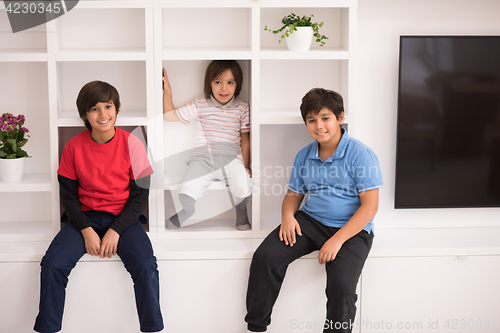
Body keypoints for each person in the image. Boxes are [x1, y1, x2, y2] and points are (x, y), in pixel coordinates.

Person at [245, 88, 383, 333]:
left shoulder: (361, 155)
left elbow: (370, 206)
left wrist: (337, 240)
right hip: (310, 221)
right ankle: (256, 326)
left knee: (341, 287)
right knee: (265, 257)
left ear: (340, 118)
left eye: (325, 118)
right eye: (311, 120)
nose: (319, 126)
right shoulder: (304, 155)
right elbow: (293, 195)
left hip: (351, 229)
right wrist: (287, 217)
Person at [34, 81, 164, 333]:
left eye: (108, 106)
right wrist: (85, 230)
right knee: (52, 264)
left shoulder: (133, 143)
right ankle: (48, 328)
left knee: (146, 266)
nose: (103, 114)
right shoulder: (73, 147)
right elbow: (68, 196)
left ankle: (152, 328)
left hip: (124, 220)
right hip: (84, 218)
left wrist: (115, 230)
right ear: (84, 114)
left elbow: (139, 196)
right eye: (94, 109)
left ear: (117, 109)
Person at [162, 60, 252, 231]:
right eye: (218, 82)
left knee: (243, 185)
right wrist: (168, 91)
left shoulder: (242, 108)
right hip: (203, 160)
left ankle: (241, 213)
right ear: (209, 83)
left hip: (231, 159)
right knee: (185, 189)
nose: (223, 88)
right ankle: (186, 212)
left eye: (230, 82)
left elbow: (245, 139)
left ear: (237, 84)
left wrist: (245, 166)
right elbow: (170, 116)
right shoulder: (200, 104)